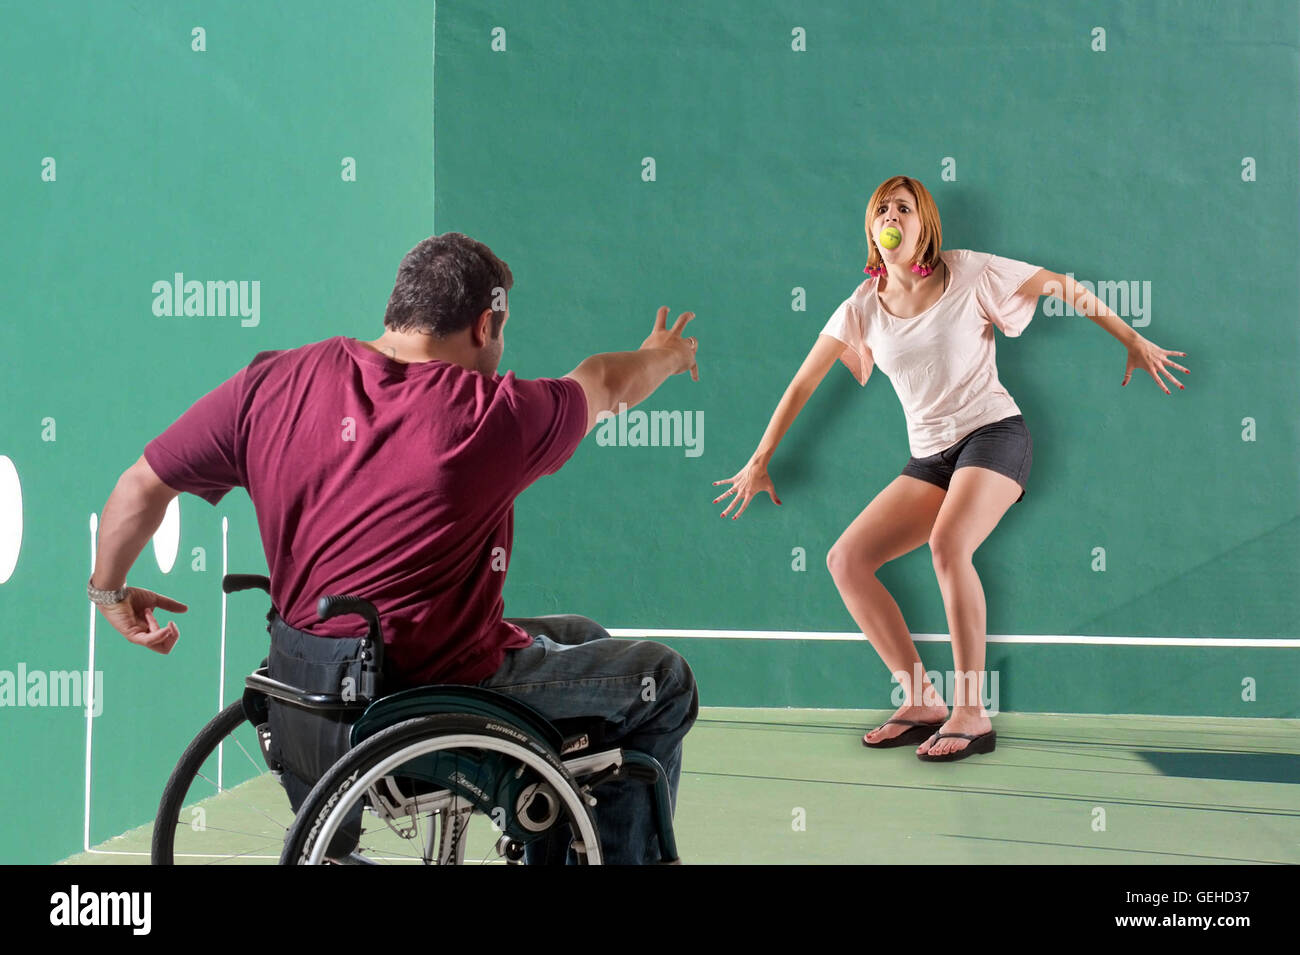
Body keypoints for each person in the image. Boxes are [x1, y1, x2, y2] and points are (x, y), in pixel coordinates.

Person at [87, 232, 701, 863]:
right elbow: (603, 379)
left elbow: (141, 483)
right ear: (486, 324)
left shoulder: (268, 385)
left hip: (309, 687)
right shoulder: (495, 414)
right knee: (663, 680)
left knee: (582, 634)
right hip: (417, 691)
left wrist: (109, 589)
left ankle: (549, 818)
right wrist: (666, 354)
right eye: (502, 331)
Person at [711, 176, 1189, 762]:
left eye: (903, 208)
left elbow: (1058, 285)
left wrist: (1132, 340)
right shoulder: (861, 307)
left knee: (947, 546)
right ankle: (922, 701)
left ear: (923, 226)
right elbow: (803, 382)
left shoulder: (968, 271)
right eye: (881, 208)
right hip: (931, 457)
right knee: (848, 560)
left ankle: (972, 712)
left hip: (994, 435)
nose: (891, 215)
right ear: (872, 229)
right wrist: (759, 460)